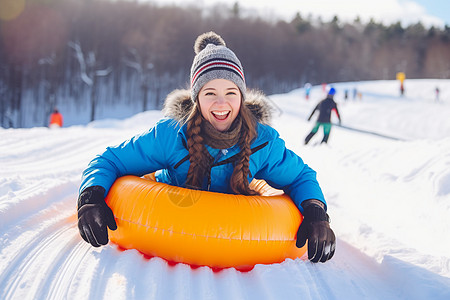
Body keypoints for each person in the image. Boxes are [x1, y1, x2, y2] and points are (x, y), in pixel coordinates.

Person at [77, 32, 336, 263]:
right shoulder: (171, 135)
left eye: (231, 93)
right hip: (171, 222)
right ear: (196, 98)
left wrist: (315, 212)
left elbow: (301, 176)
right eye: (210, 93)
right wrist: (91, 198)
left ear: (242, 97)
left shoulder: (262, 142)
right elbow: (110, 160)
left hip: (237, 236)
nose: (221, 104)